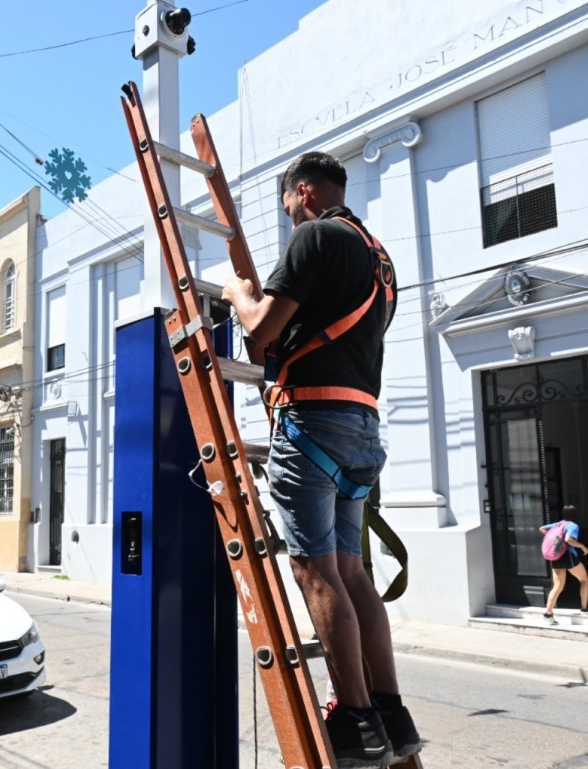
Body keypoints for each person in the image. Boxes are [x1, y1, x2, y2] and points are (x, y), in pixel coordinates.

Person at [222, 151, 420, 768]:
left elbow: (258, 333)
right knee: (353, 572)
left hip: (312, 422)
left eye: (286, 206)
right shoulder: (379, 258)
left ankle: (355, 719)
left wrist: (236, 294)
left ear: (303, 192)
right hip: (362, 427)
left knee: (315, 572)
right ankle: (388, 711)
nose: (288, 220)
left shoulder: (314, 236)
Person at [539, 505, 588, 623]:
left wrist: (554, 541)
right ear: (575, 515)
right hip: (567, 555)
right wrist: (583, 547)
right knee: (584, 579)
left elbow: (542, 528)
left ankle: (548, 614)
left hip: (555, 556)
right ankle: (584, 609)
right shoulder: (573, 525)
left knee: (558, 586)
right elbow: (569, 539)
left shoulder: (559, 524)